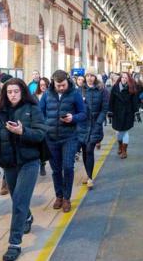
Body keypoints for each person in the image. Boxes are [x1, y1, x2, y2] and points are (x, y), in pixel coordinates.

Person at [0, 78, 46, 261]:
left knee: (18, 201)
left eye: (16, 91)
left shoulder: (32, 109)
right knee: (17, 199)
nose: (13, 95)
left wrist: (23, 132)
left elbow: (41, 133)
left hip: (29, 162)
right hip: (8, 164)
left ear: (22, 91)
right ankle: (27, 217)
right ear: (4, 94)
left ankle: (14, 244)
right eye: (9, 92)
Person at [39, 70, 86, 213]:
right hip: (51, 138)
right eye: (58, 85)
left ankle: (66, 198)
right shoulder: (47, 94)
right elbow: (40, 112)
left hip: (69, 137)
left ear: (68, 81)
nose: (61, 88)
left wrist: (73, 118)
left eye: (63, 85)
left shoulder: (75, 94)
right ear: (53, 82)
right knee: (56, 169)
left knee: (68, 167)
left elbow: (83, 113)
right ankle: (58, 196)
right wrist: (45, 125)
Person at [78, 68, 109, 188]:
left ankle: (90, 178)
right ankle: (88, 172)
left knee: (90, 149)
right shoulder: (80, 90)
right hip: (82, 125)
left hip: (95, 124)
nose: (89, 78)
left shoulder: (102, 90)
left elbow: (104, 108)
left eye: (92, 75)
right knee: (85, 151)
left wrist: (99, 122)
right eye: (88, 75)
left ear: (95, 77)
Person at [109, 72, 138, 159]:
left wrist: (136, 112)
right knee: (118, 133)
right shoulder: (115, 87)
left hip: (127, 113)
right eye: (123, 77)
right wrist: (110, 111)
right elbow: (111, 101)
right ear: (120, 78)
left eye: (126, 78)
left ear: (128, 79)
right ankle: (120, 145)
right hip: (117, 113)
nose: (124, 79)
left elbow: (134, 102)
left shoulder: (131, 88)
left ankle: (124, 151)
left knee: (125, 132)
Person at [34, 77, 50, 176]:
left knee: (44, 144)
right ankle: (39, 163)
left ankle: (42, 164)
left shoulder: (50, 95)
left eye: (44, 85)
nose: (43, 87)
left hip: (46, 123)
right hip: (36, 123)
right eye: (41, 85)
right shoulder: (34, 96)